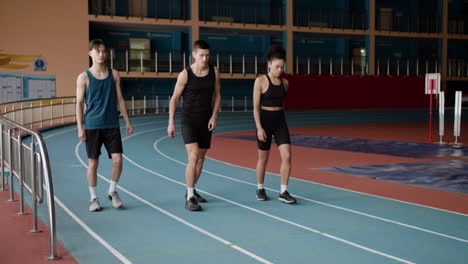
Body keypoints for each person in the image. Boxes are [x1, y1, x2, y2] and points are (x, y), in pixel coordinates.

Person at [76, 39, 133, 212]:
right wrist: (80, 127)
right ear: (90, 53)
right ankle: (93, 198)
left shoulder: (114, 74)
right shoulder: (84, 77)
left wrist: (128, 121)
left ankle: (112, 190)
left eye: (103, 51)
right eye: (97, 51)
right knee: (93, 162)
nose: (101, 54)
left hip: (112, 124)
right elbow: (79, 103)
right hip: (92, 125)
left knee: (118, 160)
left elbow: (120, 99)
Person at [167, 40, 221, 211]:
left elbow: (218, 96)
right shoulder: (185, 74)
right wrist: (170, 123)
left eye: (207, 55)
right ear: (194, 55)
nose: (204, 59)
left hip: (206, 120)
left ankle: (191, 189)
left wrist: (214, 116)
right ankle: (190, 196)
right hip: (189, 120)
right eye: (201, 55)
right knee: (193, 156)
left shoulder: (214, 72)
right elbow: (175, 99)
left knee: (201, 158)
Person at [252, 45, 296, 204]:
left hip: (280, 122)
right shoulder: (260, 81)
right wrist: (259, 128)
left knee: (287, 156)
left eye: (282, 67)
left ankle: (283, 191)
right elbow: (256, 108)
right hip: (264, 122)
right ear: (269, 64)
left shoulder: (285, 83)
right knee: (263, 158)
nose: (279, 70)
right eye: (277, 66)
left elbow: (281, 105)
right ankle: (260, 188)